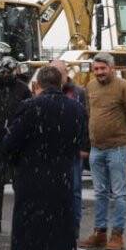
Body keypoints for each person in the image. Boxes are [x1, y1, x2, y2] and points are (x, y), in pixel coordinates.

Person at [0, 66, 87, 250]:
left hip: (32, 182)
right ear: (60, 83)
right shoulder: (76, 109)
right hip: (62, 182)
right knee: (55, 240)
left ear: (38, 85)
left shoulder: (29, 107)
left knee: (24, 241)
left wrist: (15, 159)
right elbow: (81, 145)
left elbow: (10, 144)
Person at [81, 53, 126, 250]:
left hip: (117, 148)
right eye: (96, 69)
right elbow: (89, 113)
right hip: (96, 149)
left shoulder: (125, 87)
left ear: (112, 68)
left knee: (118, 193)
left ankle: (117, 235)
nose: (99, 72)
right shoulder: (90, 87)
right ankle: (100, 233)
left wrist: (125, 136)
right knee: (99, 192)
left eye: (103, 68)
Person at [0, 57, 31, 234]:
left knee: (19, 184)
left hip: (18, 143)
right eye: (3, 71)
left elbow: (28, 115)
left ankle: (21, 220)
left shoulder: (23, 89)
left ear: (15, 71)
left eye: (8, 72)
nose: (5, 74)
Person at [51, 59, 89, 229]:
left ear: (66, 73)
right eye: (53, 72)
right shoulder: (45, 92)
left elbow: (85, 120)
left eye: (60, 72)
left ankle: (73, 227)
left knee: (74, 189)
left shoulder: (78, 92)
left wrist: (83, 146)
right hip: (51, 150)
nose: (57, 76)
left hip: (73, 150)